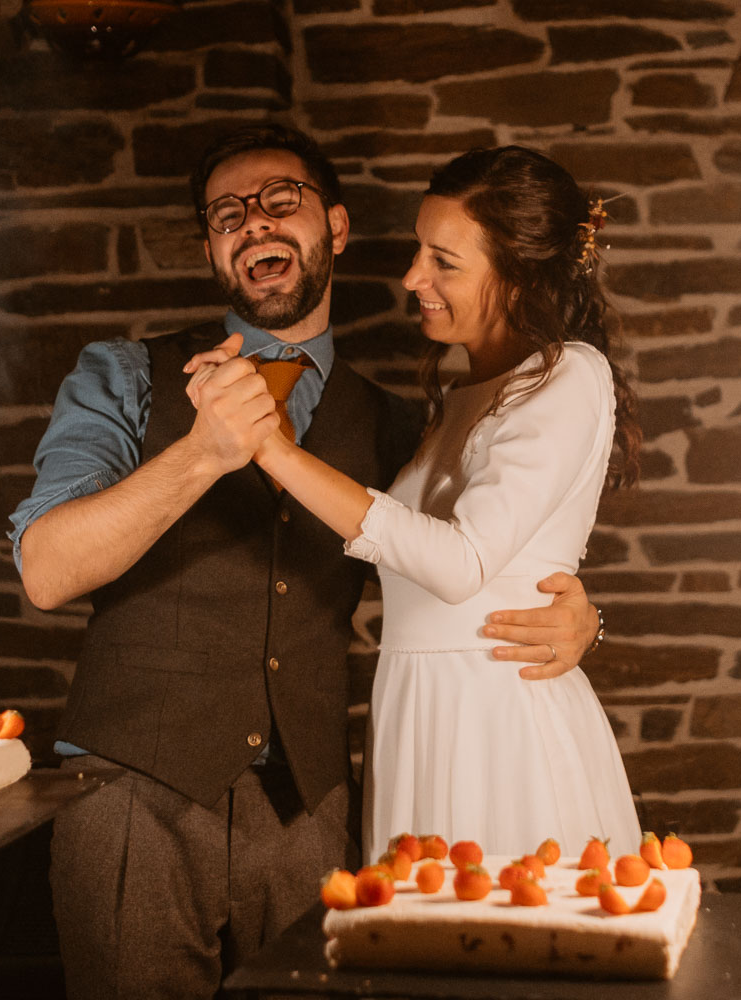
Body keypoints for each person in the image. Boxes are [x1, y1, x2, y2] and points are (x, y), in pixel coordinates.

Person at [8, 124, 601, 1000]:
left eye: (280, 201)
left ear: (336, 226)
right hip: (133, 797)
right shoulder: (123, 376)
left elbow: (473, 547)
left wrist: (585, 613)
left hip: (311, 812)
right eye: (227, 215)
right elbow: (46, 570)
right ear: (213, 248)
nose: (255, 224)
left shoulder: (407, 422)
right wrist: (206, 451)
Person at [189, 145, 643, 861]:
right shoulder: (459, 398)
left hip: (495, 718)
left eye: (443, 262)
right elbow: (419, 555)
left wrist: (273, 450)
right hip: (417, 708)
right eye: (416, 252)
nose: (413, 278)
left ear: (519, 275)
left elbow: (462, 563)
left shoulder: (570, 376)